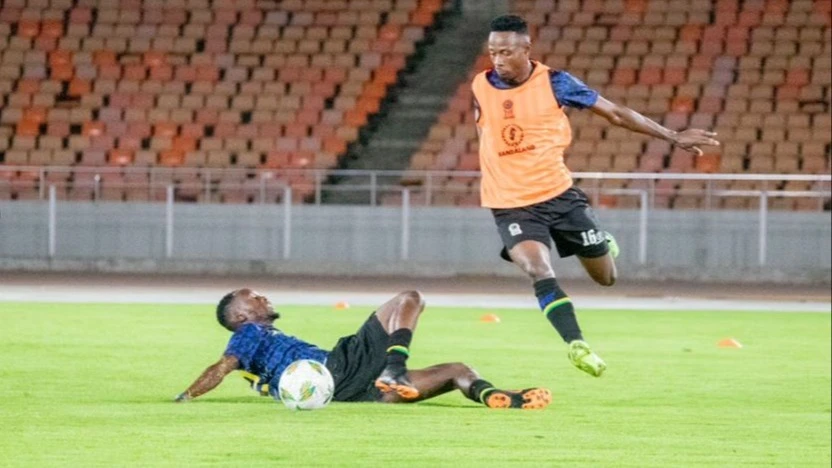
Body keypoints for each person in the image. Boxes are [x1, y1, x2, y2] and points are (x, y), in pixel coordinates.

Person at [472, 15, 720, 377]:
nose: (498, 60)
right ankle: (577, 343)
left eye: (506, 52)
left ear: (527, 49)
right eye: (493, 52)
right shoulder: (480, 85)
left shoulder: (556, 82)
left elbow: (616, 113)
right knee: (536, 267)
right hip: (510, 203)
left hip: (558, 195)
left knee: (606, 277)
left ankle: (600, 239)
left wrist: (672, 135)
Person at [174, 288, 551, 409]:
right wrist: (186, 396)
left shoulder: (262, 346)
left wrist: (263, 385)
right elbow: (222, 365)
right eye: (253, 297)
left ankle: (497, 396)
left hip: (352, 393)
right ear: (241, 316)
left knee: (456, 371)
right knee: (409, 297)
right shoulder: (249, 333)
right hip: (338, 366)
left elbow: (252, 376)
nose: (263, 297)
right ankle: (394, 365)